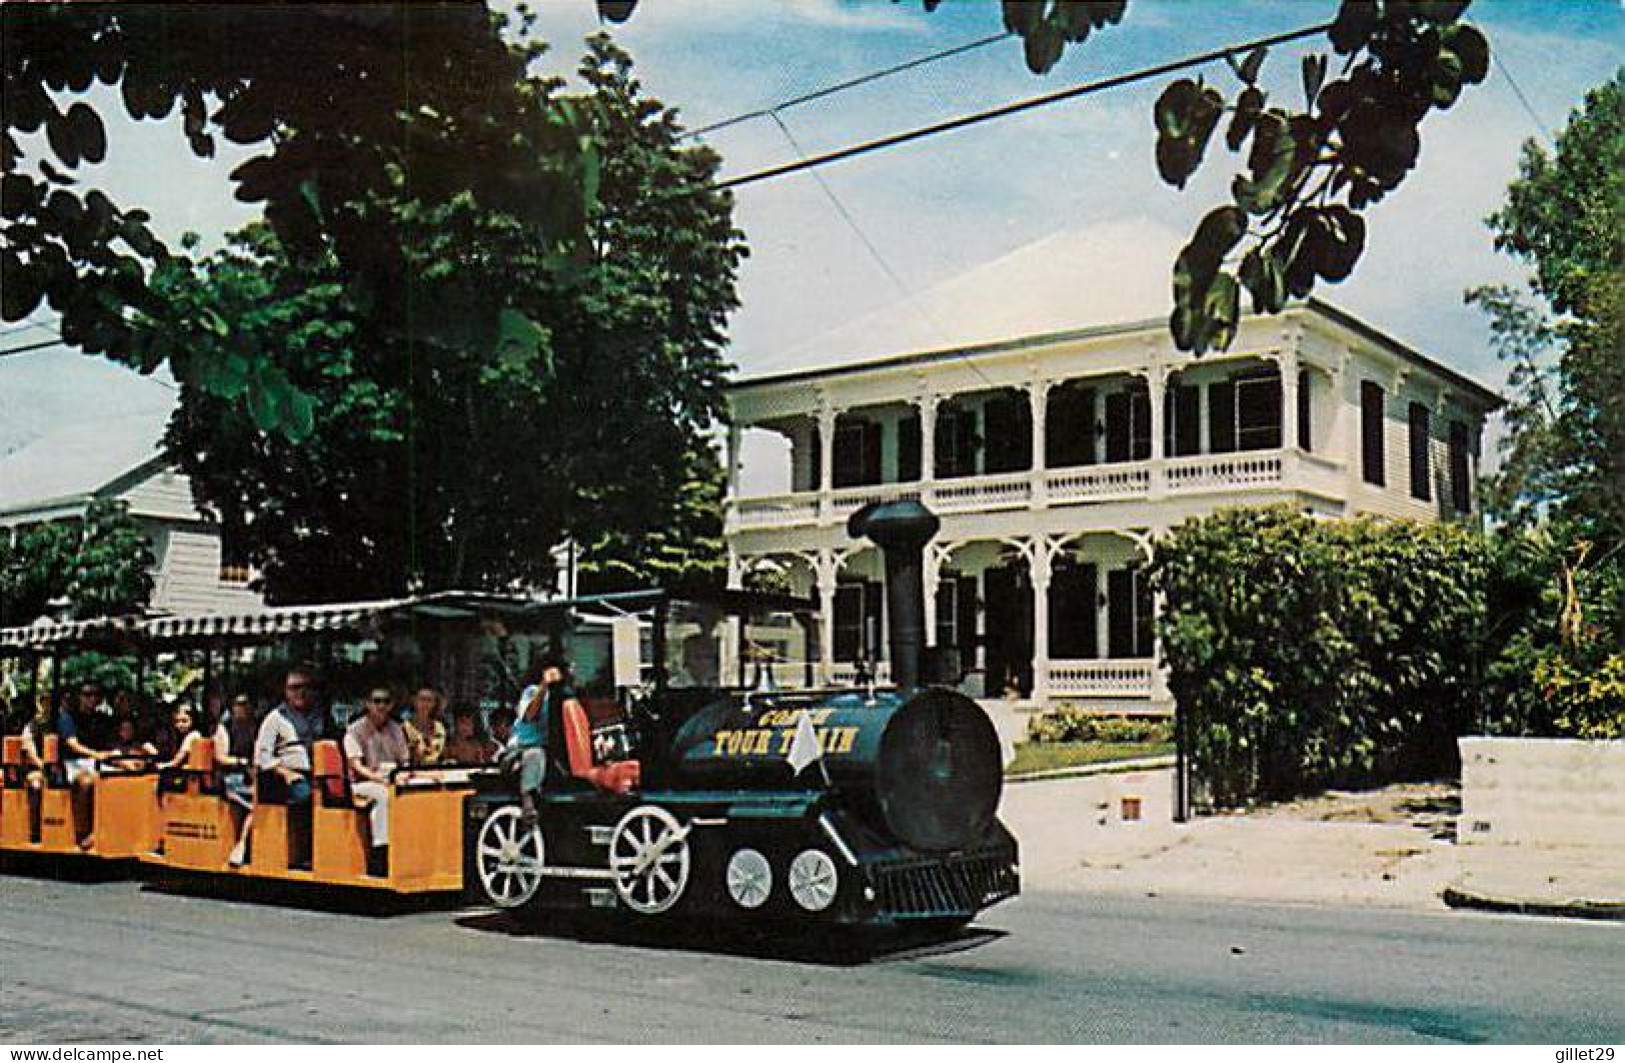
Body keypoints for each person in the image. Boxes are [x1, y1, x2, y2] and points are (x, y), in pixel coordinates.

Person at [251, 666, 327, 869]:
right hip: (281, 777)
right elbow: (262, 757)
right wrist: (285, 773)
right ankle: (303, 854)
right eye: (294, 687)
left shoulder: (318, 716)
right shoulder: (275, 718)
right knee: (305, 795)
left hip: (317, 773)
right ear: (285, 691)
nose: (301, 692)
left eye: (305, 687)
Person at [342, 686, 409, 878]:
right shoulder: (355, 730)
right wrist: (379, 779)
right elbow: (356, 766)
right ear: (368, 704)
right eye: (376, 701)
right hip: (361, 783)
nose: (381, 706)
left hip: (392, 777)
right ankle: (380, 853)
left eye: (386, 701)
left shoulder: (396, 729)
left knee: (416, 792)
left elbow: (404, 761)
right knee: (383, 795)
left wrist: (402, 776)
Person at [58, 682, 112, 848]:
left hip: (98, 762)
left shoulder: (102, 720)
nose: (92, 699)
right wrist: (96, 754)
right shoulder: (67, 719)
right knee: (86, 782)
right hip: (73, 762)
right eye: (87, 695)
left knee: (119, 777)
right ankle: (83, 832)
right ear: (79, 697)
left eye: (96, 695)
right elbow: (72, 744)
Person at [403, 686, 446, 766]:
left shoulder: (440, 727)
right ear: (414, 701)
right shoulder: (404, 728)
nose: (425, 704)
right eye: (422, 699)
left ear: (434, 703)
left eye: (429, 700)